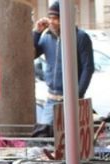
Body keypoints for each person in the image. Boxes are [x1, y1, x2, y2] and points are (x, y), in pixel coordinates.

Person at [32, 1, 94, 136]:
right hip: (51, 99)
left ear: (67, 18)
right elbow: (32, 54)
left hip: (71, 98)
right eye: (51, 18)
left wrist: (77, 95)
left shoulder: (80, 37)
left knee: (70, 139)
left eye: (56, 18)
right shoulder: (47, 36)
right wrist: (36, 32)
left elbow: (88, 68)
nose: (52, 22)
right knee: (44, 137)